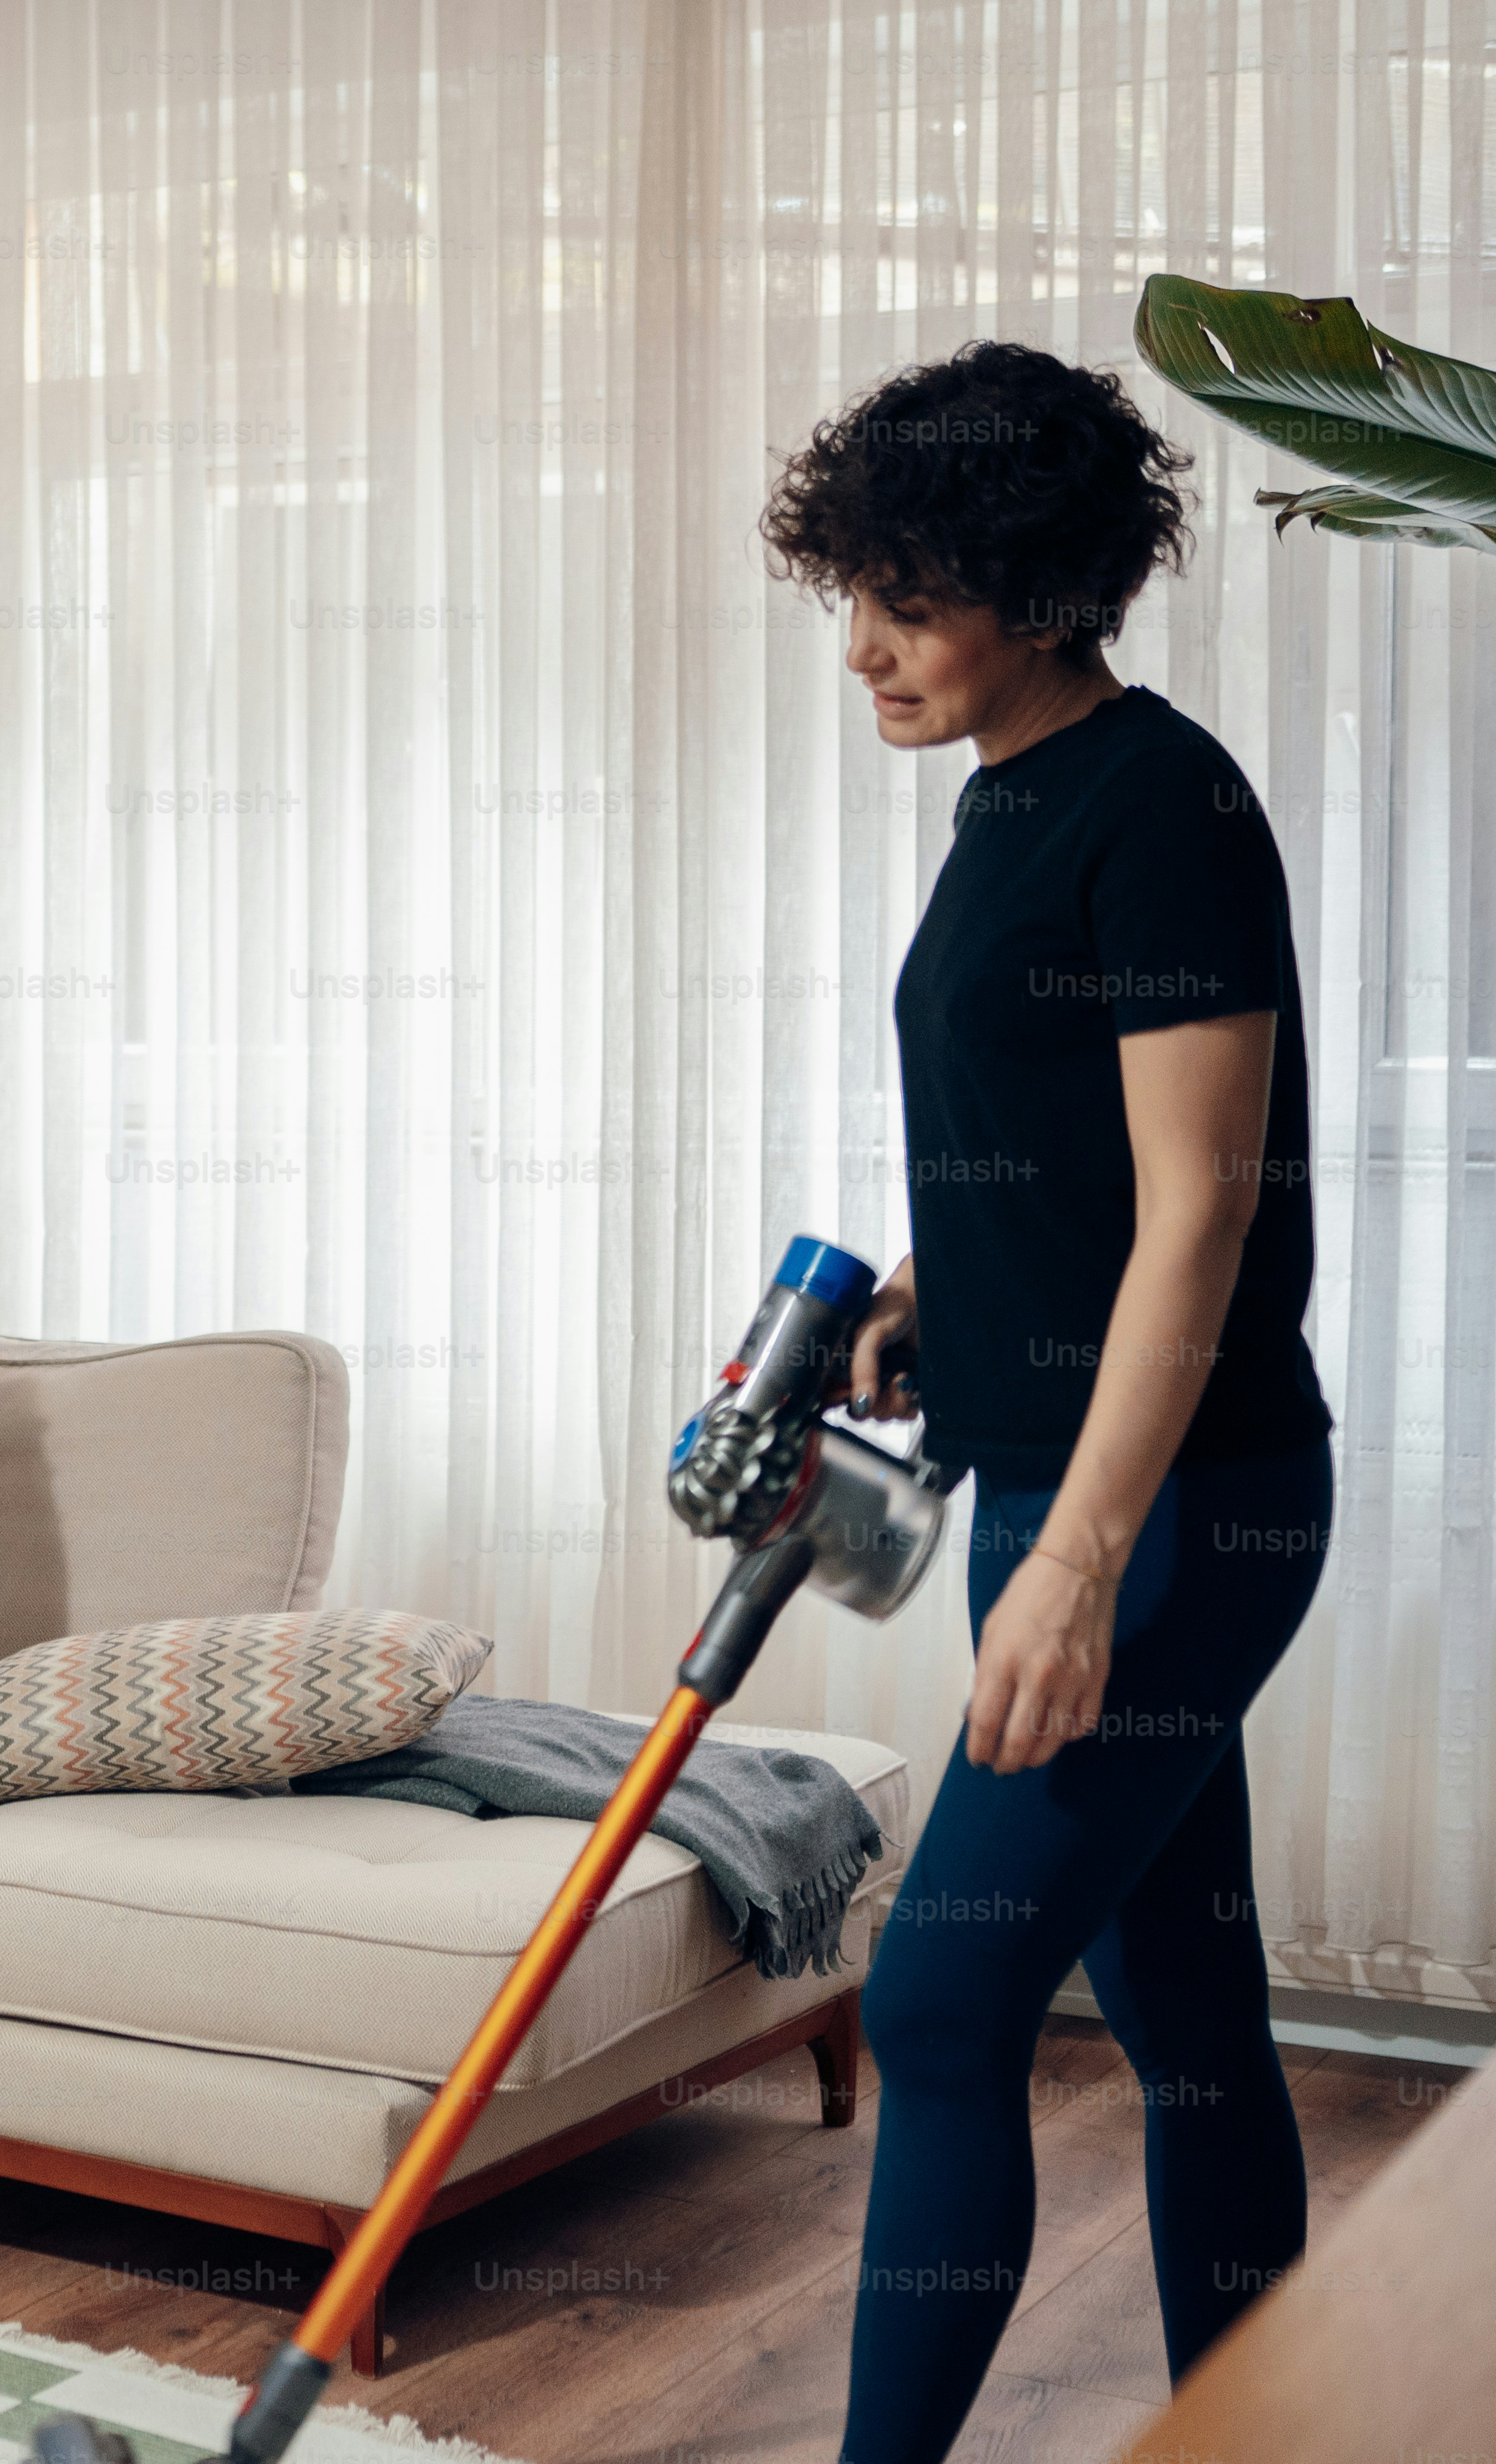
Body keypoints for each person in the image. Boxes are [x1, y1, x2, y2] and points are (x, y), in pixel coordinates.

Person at [759, 340, 1337, 2464]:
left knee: (937, 1993)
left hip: (1178, 1508)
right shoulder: (1022, 795)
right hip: (1062, 1471)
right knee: (1190, 2022)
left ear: (1037, 584)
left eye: (905, 604)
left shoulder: (1163, 803)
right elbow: (1075, 1152)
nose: (863, 651)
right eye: (854, 595)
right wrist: (944, 1286)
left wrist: (1084, 1561)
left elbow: (1198, 1208)